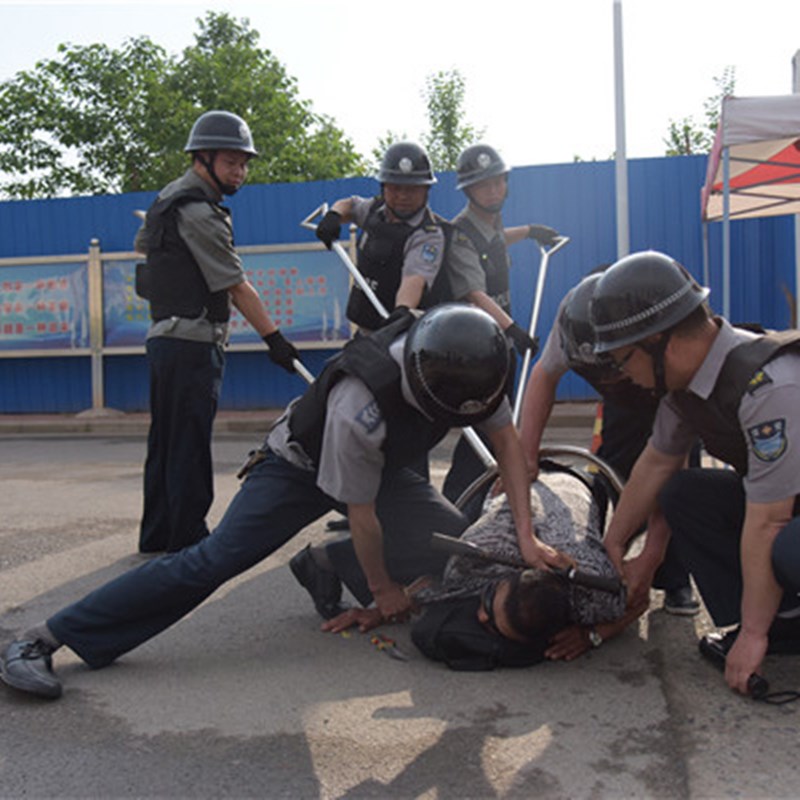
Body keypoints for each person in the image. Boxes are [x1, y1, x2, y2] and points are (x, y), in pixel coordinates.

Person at [0, 305, 572, 700]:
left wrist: (526, 535)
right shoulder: (361, 403)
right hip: (298, 467)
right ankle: (45, 638)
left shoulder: (472, 364)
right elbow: (362, 511)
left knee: (456, 550)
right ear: (420, 388)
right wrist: (383, 593)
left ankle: (323, 564)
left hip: (383, 468)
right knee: (212, 560)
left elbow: (508, 449)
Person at [591, 250, 800, 697]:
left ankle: (765, 627)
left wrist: (751, 636)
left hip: (787, 518)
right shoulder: (685, 389)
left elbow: (770, 521)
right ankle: (786, 624)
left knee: (788, 547)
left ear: (660, 341)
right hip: (788, 505)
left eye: (625, 358)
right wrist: (612, 544)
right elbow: (656, 462)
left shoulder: (769, 388)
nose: (623, 374)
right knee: (684, 493)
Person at [133, 110, 299, 554]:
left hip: (164, 337)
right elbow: (235, 285)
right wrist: (274, 339)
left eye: (244, 164)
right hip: (192, 343)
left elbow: (144, 247)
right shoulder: (199, 212)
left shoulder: (167, 199)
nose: (239, 172)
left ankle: (157, 537)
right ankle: (187, 542)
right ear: (202, 158)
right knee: (186, 443)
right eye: (230, 162)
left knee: (165, 441)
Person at [321, 465, 646, 668]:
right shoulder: (480, 556)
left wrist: (593, 635)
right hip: (518, 485)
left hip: (581, 490)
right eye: (490, 603)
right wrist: (382, 607)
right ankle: (333, 558)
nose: (479, 615)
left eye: (489, 621)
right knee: (443, 539)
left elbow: (638, 602)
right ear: (508, 577)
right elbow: (434, 587)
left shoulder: (595, 588)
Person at [518, 269, 700, 615]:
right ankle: (605, 559)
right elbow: (543, 376)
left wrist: (652, 554)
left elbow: (671, 465)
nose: (616, 373)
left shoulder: (657, 328)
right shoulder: (571, 321)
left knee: (678, 489)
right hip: (623, 405)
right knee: (612, 471)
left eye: (619, 365)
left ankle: (674, 576)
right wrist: (526, 455)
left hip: (671, 390)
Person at [439, 143, 560, 510]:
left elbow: (493, 242)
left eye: (497, 183)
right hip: (476, 348)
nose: (492, 191)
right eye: (483, 186)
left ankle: (480, 498)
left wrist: (531, 231)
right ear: (468, 191)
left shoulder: (490, 224)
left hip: (497, 341)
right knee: (484, 427)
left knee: (497, 426)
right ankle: (459, 505)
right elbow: (474, 292)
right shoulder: (460, 234)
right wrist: (513, 329)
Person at [314, 141, 448, 332]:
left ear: (426, 190)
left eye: (411, 189)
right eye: (395, 188)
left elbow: (414, 279)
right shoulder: (374, 210)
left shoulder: (428, 235)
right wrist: (334, 215)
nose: (403, 196)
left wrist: (402, 311)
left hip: (400, 335)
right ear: (383, 187)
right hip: (365, 329)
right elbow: (350, 205)